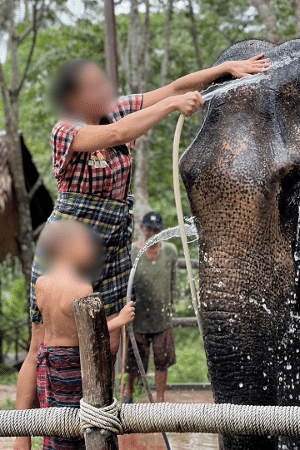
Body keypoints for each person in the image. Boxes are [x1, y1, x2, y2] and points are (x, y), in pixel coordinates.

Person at [14, 53, 270, 450]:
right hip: (69, 241)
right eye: (94, 88)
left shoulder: (117, 111)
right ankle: (22, 436)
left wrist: (225, 71)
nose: (104, 92)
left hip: (113, 242)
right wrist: (169, 107)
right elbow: (122, 134)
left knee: (111, 337)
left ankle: (94, 421)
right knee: (42, 342)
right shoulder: (66, 130)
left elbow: (173, 88)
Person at [32, 221, 135, 450]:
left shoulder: (41, 284)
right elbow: (89, 332)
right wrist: (121, 319)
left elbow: (63, 322)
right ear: (69, 248)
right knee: (79, 423)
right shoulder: (82, 288)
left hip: (47, 360)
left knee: (54, 421)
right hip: (72, 364)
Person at [123, 212, 178, 403]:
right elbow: (126, 284)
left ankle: (160, 400)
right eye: (149, 229)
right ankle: (128, 393)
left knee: (162, 360)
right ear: (142, 229)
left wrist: (171, 302)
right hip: (138, 317)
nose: (152, 233)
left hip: (162, 317)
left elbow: (173, 281)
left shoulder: (170, 251)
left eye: (156, 230)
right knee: (134, 360)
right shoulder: (132, 252)